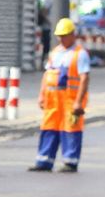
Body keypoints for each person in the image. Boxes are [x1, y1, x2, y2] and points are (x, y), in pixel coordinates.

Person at [29, 18, 90, 173]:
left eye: (64, 35)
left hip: (70, 100)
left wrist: (78, 102)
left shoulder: (80, 54)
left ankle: (70, 161)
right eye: (59, 36)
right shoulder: (55, 53)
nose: (61, 39)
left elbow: (84, 78)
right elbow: (47, 74)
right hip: (53, 100)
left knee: (70, 129)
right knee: (49, 127)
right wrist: (41, 95)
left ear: (72, 34)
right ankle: (44, 161)